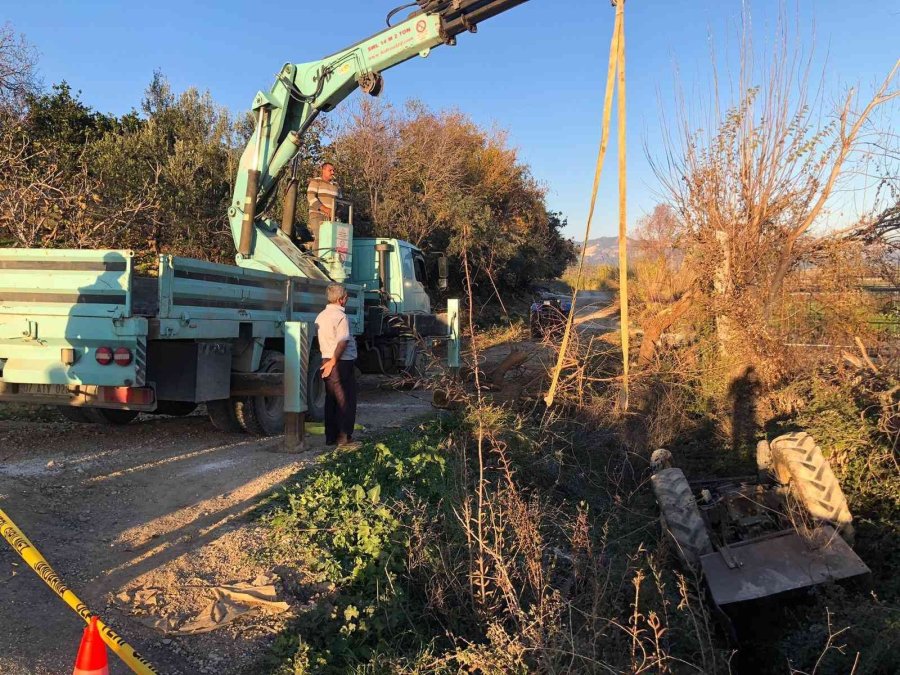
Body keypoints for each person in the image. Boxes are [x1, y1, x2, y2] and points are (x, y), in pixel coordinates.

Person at [314, 282, 358, 447]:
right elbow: (342, 342)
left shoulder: (321, 316)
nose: (346, 299)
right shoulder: (341, 316)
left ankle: (330, 437)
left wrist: (329, 361)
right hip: (341, 362)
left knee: (331, 399)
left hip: (326, 360)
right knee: (345, 399)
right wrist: (334, 361)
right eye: (345, 297)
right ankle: (344, 437)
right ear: (341, 299)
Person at [306, 162, 341, 254]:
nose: (332, 172)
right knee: (320, 238)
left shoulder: (336, 185)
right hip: (317, 215)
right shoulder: (315, 181)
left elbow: (341, 202)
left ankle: (329, 263)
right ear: (323, 170)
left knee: (332, 241)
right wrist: (325, 209)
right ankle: (316, 262)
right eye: (330, 170)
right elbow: (311, 197)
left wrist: (336, 213)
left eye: (333, 170)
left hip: (332, 217)